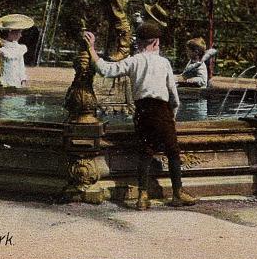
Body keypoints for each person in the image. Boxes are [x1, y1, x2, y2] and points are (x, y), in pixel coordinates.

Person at [83, 21, 198, 210]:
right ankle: (177, 193)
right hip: (162, 111)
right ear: (155, 43)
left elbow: (105, 69)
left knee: (145, 152)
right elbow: (173, 94)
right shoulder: (164, 62)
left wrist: (91, 48)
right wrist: (173, 115)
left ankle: (142, 196)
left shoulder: (133, 61)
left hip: (142, 111)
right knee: (173, 152)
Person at [0, 14, 34, 88]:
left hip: (15, 82)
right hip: (2, 81)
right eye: (18, 32)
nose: (20, 35)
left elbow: (21, 66)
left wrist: (23, 81)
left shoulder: (19, 48)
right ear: (10, 32)